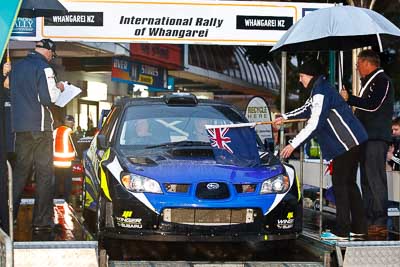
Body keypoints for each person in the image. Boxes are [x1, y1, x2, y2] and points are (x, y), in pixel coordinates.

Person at [274, 59, 368, 240]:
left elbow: (314, 124)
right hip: (355, 141)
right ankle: (359, 228)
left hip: (346, 144)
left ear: (310, 75)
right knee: (349, 184)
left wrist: (293, 143)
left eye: (301, 76)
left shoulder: (320, 92)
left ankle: (342, 231)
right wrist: (284, 117)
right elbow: (306, 109)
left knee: (340, 184)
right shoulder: (320, 89)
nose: (300, 80)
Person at [10, 39, 64, 231]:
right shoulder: (45, 68)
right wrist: (59, 88)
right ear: (48, 52)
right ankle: (41, 221)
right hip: (40, 127)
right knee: (44, 174)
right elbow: (48, 98)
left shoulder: (16, 67)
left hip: (20, 128)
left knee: (19, 174)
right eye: (52, 54)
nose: (51, 57)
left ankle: (9, 217)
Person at [340, 49, 394, 237]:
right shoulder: (370, 82)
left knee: (375, 180)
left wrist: (351, 99)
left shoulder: (382, 80)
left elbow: (374, 104)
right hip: (365, 138)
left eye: (358, 64)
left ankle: (379, 220)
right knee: (366, 180)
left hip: (376, 138)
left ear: (367, 63)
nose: (356, 68)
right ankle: (369, 219)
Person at [53, 115, 77, 202]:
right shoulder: (69, 131)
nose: (73, 124)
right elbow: (75, 145)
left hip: (56, 160)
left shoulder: (55, 131)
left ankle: (55, 196)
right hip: (67, 160)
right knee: (67, 179)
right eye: (72, 122)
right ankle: (67, 198)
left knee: (57, 179)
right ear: (68, 122)